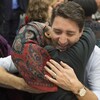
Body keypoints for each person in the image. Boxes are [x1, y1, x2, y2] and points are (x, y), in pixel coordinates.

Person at [0, 1, 98, 100]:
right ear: (49, 28)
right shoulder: (36, 49)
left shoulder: (95, 54)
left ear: (81, 32)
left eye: (70, 33)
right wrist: (25, 85)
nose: (62, 40)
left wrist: (76, 87)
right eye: (57, 32)